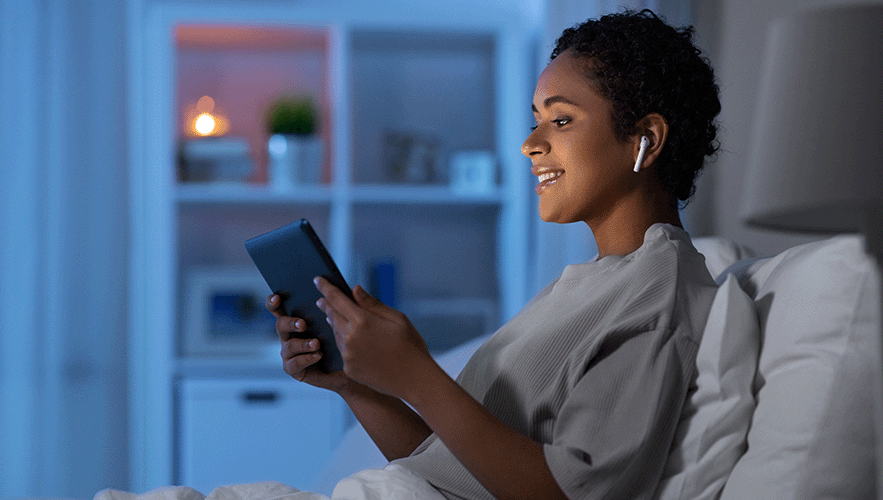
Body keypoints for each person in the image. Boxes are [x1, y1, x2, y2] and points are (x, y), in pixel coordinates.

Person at [269, 9, 722, 500]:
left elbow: (566, 493)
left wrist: (418, 375)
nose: (530, 144)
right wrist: (354, 384)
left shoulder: (657, 297)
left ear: (646, 139)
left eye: (562, 120)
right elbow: (451, 474)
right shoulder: (592, 283)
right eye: (536, 121)